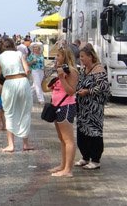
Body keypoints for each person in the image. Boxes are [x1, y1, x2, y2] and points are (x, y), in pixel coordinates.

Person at [0, 38, 34, 152]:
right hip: (23, 82)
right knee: (25, 112)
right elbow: (27, 70)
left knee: (9, 113)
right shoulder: (19, 53)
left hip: (9, 83)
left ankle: (11, 145)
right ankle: (25, 144)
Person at [75, 43, 110, 170]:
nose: (81, 59)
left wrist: (88, 91)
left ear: (90, 56)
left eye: (83, 56)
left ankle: (95, 160)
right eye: (80, 57)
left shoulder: (99, 69)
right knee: (82, 133)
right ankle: (85, 157)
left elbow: (103, 87)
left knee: (94, 133)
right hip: (83, 109)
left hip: (94, 109)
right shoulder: (83, 70)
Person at [48, 46, 78, 177]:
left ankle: (68, 170)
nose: (56, 58)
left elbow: (71, 91)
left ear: (65, 56)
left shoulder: (71, 71)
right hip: (56, 106)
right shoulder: (60, 70)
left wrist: (62, 78)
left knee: (68, 139)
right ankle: (63, 165)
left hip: (66, 106)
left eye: (58, 56)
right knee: (61, 138)